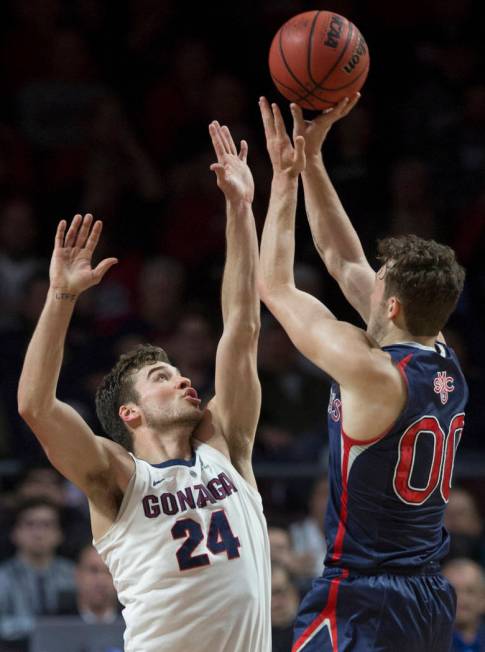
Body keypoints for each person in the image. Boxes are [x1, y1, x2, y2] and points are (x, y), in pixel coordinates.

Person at [17, 122, 270, 652]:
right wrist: (61, 296)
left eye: (178, 372)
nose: (182, 378)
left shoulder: (227, 446)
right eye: (162, 377)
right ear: (130, 414)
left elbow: (242, 327)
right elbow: (36, 406)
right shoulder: (118, 478)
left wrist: (240, 210)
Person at [258, 94, 468, 652]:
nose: (368, 278)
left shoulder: (371, 371)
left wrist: (283, 180)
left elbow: (276, 287)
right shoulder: (442, 355)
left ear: (392, 306)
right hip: (426, 594)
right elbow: (340, 257)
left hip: (366, 595)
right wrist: (314, 159)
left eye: (381, 279)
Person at [0, 498, 76, 651]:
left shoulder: (74, 573)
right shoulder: (3, 576)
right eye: (30, 524)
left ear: (59, 534)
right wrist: (43, 627)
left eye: (47, 525)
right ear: (15, 533)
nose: (39, 533)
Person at [443, 558, 485, 652]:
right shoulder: (425, 644)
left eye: (470, 591)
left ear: (483, 599)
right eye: (452, 592)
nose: (461, 599)